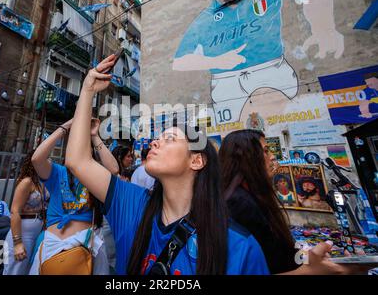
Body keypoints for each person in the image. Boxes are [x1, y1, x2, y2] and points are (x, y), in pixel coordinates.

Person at [65, 55, 270, 275]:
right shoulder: (133, 205)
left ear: (196, 160)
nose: (154, 142)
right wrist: (87, 89)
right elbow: (77, 161)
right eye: (157, 138)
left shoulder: (239, 247)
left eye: (170, 138)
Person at [173, 0, 344, 124]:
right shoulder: (205, 19)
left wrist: (324, 28)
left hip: (270, 70)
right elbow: (179, 61)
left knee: (275, 123)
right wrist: (217, 61)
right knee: (233, 137)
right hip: (225, 81)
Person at [219, 129, 367, 274]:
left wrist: (308, 257)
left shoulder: (255, 197)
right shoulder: (239, 203)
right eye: (265, 151)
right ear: (246, 158)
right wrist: (311, 270)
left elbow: (280, 253)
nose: (272, 157)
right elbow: (259, 265)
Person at [29, 118, 119, 275]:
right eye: (75, 146)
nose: (79, 150)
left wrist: (94, 135)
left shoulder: (95, 175)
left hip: (88, 246)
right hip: (53, 247)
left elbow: (114, 169)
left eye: (84, 147)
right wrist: (68, 125)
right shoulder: (57, 172)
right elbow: (37, 159)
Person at [3, 152, 50, 275]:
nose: (48, 163)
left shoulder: (41, 182)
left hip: (38, 232)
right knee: (15, 271)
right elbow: (14, 211)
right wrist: (17, 243)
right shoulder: (26, 182)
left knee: (28, 270)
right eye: (45, 160)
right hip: (23, 233)